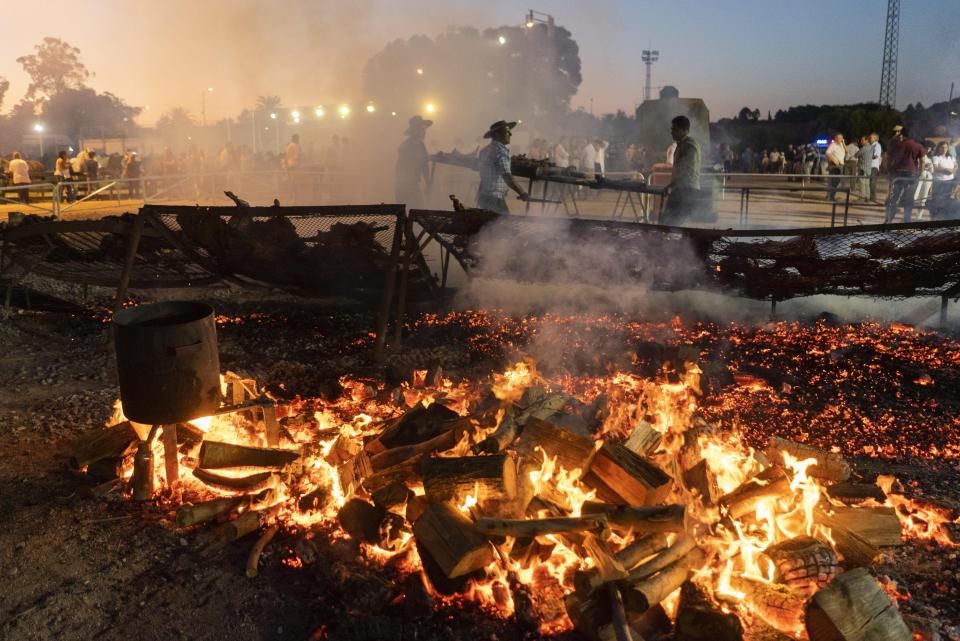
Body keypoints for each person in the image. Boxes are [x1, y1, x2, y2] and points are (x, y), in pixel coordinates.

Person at [475, 119, 529, 214]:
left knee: (488, 227)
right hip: (494, 198)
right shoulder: (500, 151)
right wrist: (522, 193)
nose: (510, 134)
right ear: (496, 134)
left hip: (484, 197)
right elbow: (507, 176)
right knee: (503, 225)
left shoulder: (485, 150)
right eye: (506, 131)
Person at [661, 115, 701, 225]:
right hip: (680, 189)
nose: (672, 132)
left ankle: (670, 241)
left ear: (685, 130)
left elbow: (686, 170)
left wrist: (670, 185)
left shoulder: (689, 146)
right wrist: (671, 186)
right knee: (667, 223)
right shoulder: (681, 144)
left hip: (687, 190)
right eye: (672, 129)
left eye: (675, 129)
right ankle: (667, 241)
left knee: (670, 224)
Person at [883, 125, 925, 223]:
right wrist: (921, 173)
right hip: (912, 174)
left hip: (898, 174)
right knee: (909, 198)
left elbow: (887, 157)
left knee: (895, 197)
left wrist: (889, 169)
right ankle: (906, 221)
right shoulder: (918, 145)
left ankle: (889, 220)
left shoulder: (896, 144)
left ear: (903, 133)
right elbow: (922, 161)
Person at [395, 115, 431, 208]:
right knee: (409, 211)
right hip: (405, 185)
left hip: (414, 184)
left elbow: (424, 165)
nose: (424, 131)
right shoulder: (406, 146)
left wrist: (428, 184)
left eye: (424, 128)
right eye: (421, 128)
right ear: (414, 130)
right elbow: (401, 168)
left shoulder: (421, 145)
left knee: (418, 210)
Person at [929, 142, 957, 220]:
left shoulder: (951, 157)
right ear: (938, 148)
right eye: (942, 147)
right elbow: (936, 168)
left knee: (946, 200)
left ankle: (944, 218)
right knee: (937, 200)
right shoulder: (936, 157)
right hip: (939, 182)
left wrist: (953, 170)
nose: (944, 149)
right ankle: (934, 218)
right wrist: (946, 170)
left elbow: (956, 166)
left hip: (949, 182)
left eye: (945, 147)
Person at [825, 134, 846, 201]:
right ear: (835, 138)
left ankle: (829, 196)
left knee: (836, 182)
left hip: (840, 165)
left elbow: (846, 151)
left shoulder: (841, 145)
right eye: (839, 138)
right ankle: (831, 197)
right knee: (833, 182)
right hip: (835, 166)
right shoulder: (833, 145)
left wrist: (843, 143)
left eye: (842, 138)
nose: (841, 139)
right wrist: (834, 160)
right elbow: (827, 153)